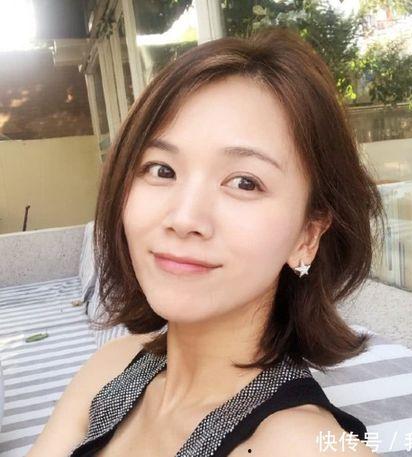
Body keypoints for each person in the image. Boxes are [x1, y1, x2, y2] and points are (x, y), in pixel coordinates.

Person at [28, 26, 384, 456]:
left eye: (244, 182)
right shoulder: (111, 367)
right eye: (161, 170)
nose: (184, 218)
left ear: (307, 235)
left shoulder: (304, 447)